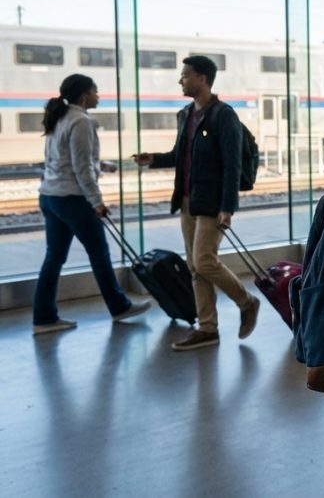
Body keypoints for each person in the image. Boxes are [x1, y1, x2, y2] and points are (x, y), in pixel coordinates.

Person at [134, 55, 260, 351]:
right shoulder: (185, 115)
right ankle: (207, 328)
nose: (180, 80)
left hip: (213, 202)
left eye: (185, 75)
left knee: (204, 261)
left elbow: (232, 165)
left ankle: (246, 301)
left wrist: (227, 207)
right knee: (195, 267)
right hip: (187, 200)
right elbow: (180, 155)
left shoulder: (223, 115)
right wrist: (154, 159)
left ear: (202, 78)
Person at [33, 75, 152, 334]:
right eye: (96, 91)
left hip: (50, 196)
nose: (99, 96)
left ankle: (43, 318)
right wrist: (97, 202)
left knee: (54, 257)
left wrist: (101, 165)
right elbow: (81, 168)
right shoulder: (81, 121)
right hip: (72, 199)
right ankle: (119, 307)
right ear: (84, 96)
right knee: (99, 253)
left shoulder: (59, 116)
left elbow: (62, 158)